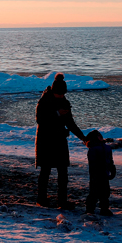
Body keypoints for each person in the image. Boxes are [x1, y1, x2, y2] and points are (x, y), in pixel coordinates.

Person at [35, 73, 87, 209]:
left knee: (63, 172)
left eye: (63, 94)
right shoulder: (44, 101)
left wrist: (83, 138)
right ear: (53, 91)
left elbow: (70, 123)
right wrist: (57, 114)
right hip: (45, 141)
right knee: (45, 171)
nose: (61, 96)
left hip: (59, 140)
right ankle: (41, 199)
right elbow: (40, 120)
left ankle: (62, 201)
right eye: (60, 94)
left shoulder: (65, 102)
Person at [84, 130, 116, 216]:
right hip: (99, 173)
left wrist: (112, 169)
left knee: (100, 193)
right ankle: (97, 209)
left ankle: (95, 209)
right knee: (100, 193)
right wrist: (112, 169)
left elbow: (110, 160)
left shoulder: (102, 148)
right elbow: (94, 163)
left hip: (101, 174)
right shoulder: (99, 149)